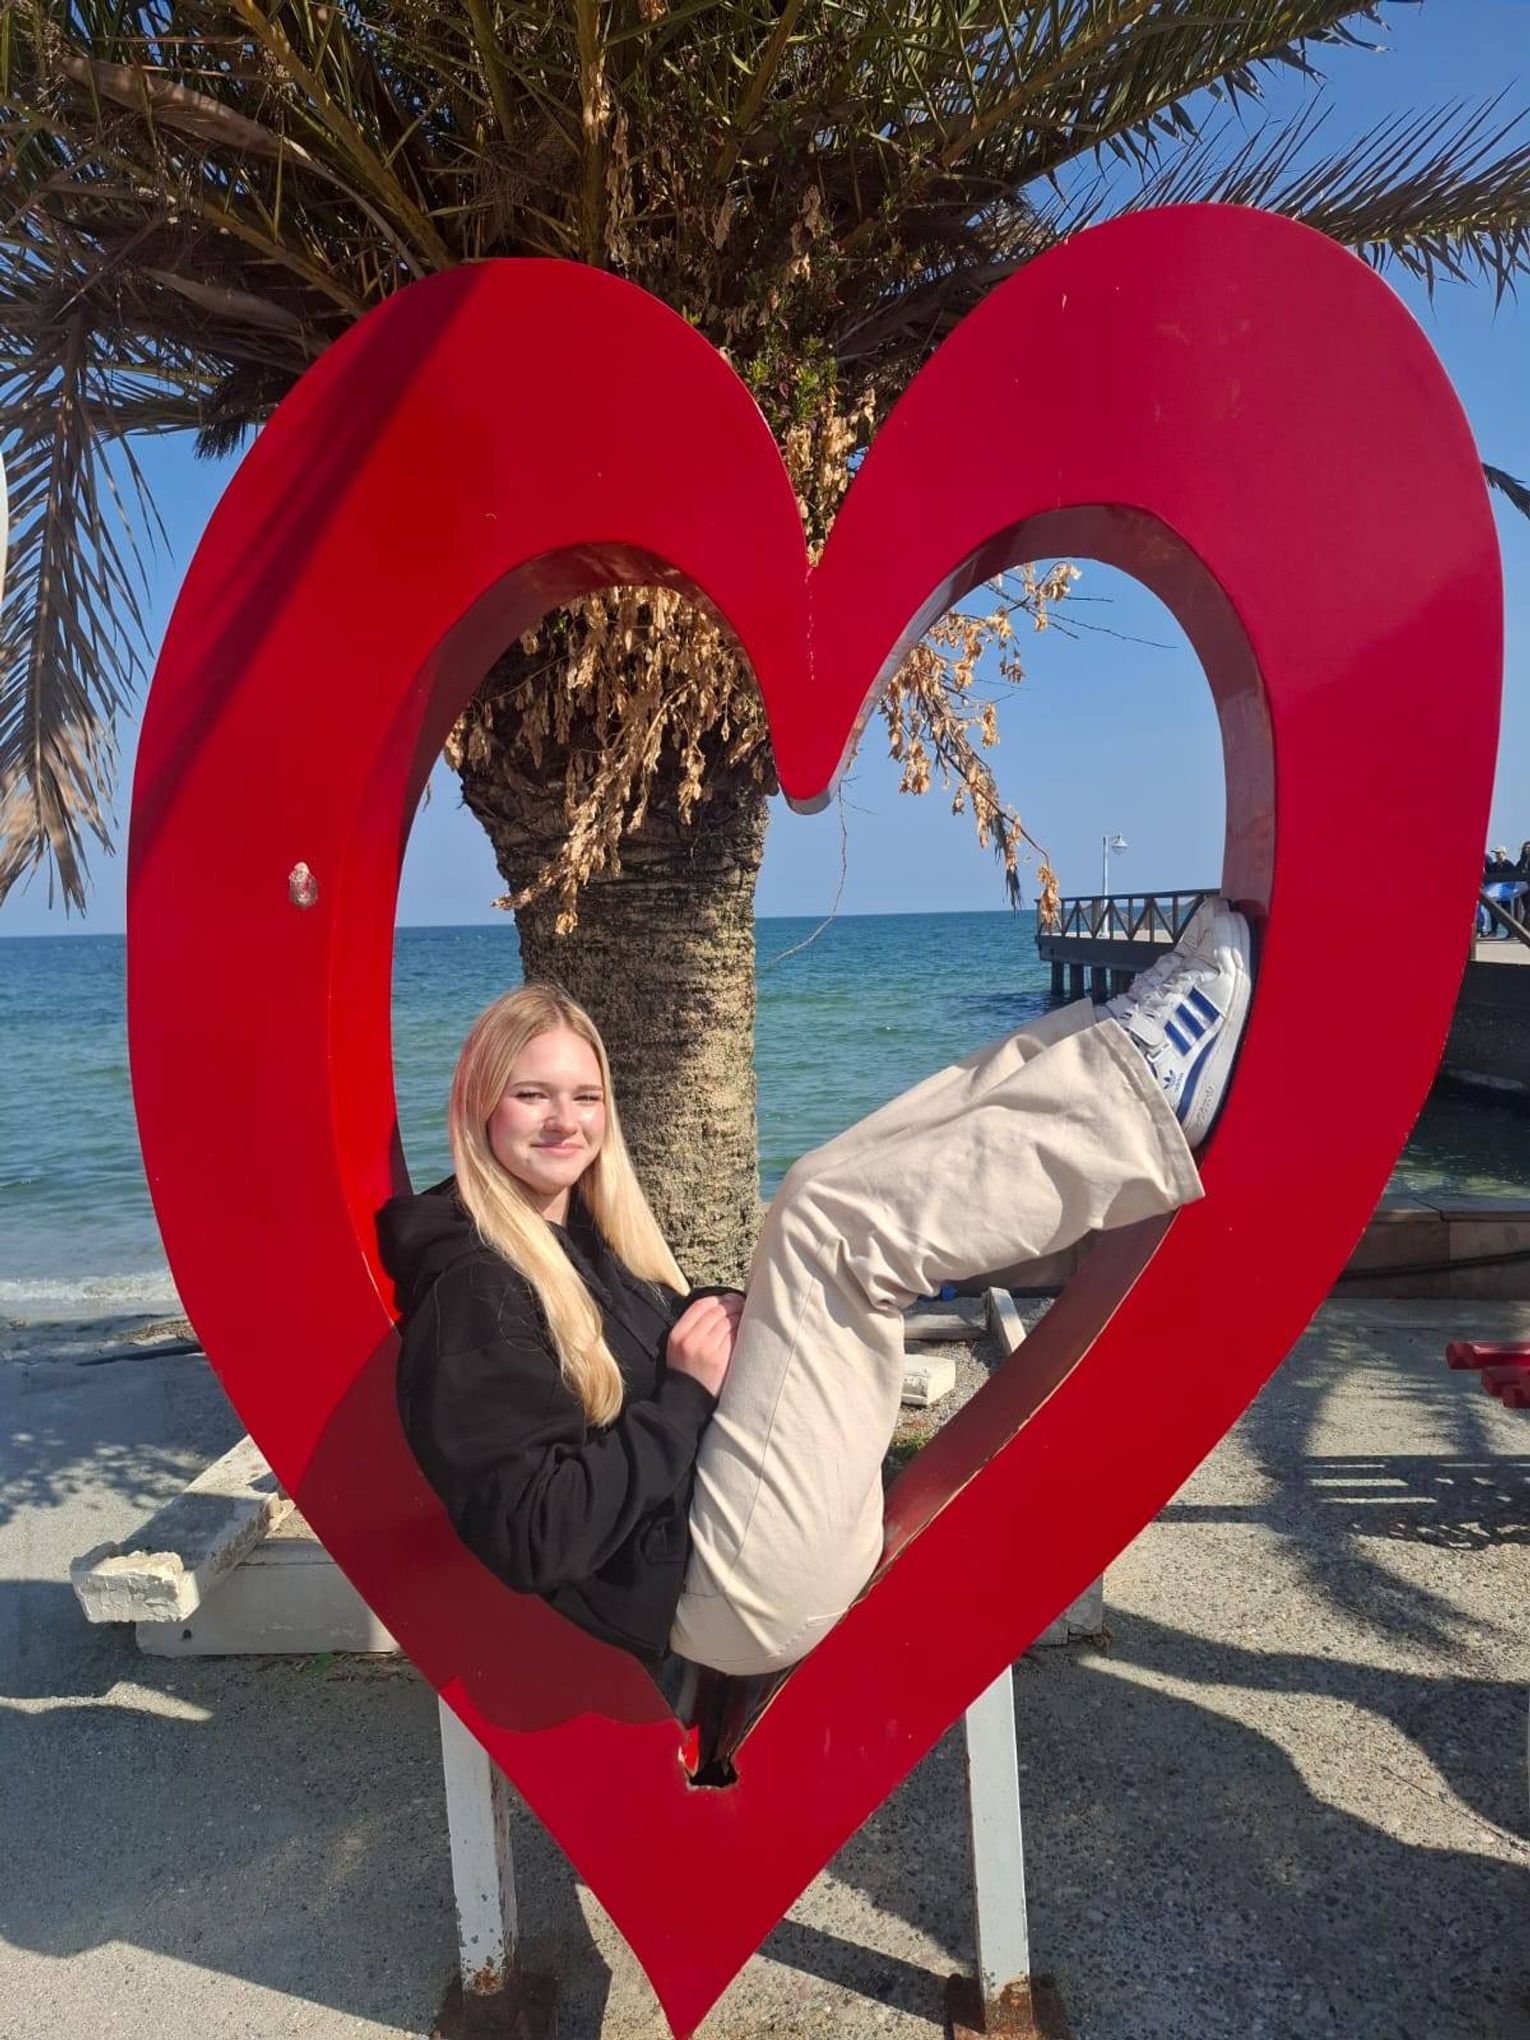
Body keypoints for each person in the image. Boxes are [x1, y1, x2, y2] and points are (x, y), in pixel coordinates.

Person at [377, 899, 1252, 1686]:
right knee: (830, 1221)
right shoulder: (475, 1291)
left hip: (734, 1539)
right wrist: (683, 1399)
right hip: (724, 1596)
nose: (566, 1121)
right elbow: (534, 1533)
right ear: (480, 1106)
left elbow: (647, 1362)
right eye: (532, 1096)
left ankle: (1108, 1048)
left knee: (820, 1184)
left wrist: (734, 1317)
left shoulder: (579, 1240)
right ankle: (1138, 1097)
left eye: (585, 1096)